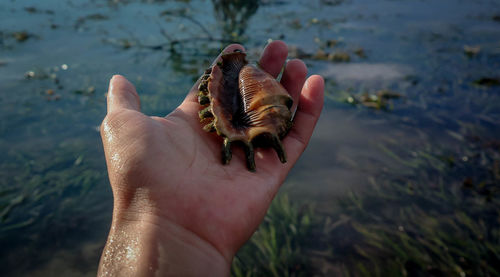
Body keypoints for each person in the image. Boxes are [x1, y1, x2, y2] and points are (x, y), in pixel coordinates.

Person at [98, 41, 324, 276]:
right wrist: (159, 220)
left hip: (252, 123)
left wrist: (148, 219)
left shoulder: (238, 75)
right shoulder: (240, 74)